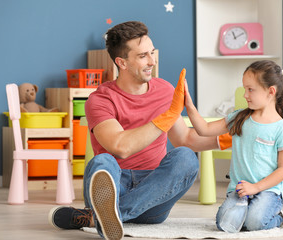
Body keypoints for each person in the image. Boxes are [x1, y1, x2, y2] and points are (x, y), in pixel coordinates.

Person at [48, 21, 223, 239]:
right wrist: (166, 117)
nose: (152, 61)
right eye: (143, 56)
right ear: (122, 62)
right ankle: (107, 213)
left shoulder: (165, 90)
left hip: (155, 193)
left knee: (186, 158)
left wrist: (227, 139)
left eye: (152, 52)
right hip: (114, 184)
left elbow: (185, 138)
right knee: (102, 162)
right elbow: (120, 147)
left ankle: (99, 217)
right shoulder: (100, 99)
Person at [184, 60, 283, 231]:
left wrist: (256, 187)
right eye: (245, 89)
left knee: (255, 223)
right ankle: (246, 211)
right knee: (225, 224)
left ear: (271, 91)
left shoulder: (282, 129)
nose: (245, 94)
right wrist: (189, 105)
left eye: (250, 89)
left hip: (269, 191)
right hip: (240, 190)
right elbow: (204, 129)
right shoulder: (239, 117)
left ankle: (280, 218)